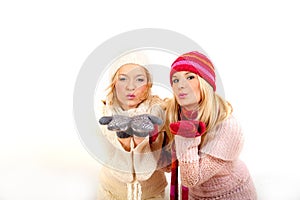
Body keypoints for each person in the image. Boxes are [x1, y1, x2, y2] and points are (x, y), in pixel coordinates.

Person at [165, 51, 257, 199]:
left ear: (205, 83)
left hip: (231, 195)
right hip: (197, 196)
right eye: (175, 80)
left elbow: (191, 179)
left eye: (190, 77)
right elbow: (167, 165)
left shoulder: (228, 125)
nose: (180, 85)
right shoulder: (175, 115)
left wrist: (186, 135)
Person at [97, 52, 171, 200]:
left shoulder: (158, 111)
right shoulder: (107, 112)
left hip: (152, 193)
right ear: (114, 84)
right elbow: (118, 167)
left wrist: (141, 136)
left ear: (148, 85)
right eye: (123, 79)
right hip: (111, 192)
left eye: (139, 79)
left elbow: (154, 164)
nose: (131, 87)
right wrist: (123, 137)